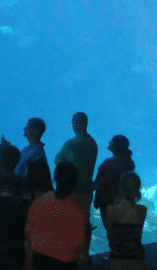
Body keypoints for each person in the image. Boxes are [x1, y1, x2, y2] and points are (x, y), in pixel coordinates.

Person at [25, 161, 88, 270]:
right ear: (75, 182)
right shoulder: (76, 208)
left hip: (39, 260)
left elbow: (30, 234)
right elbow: (79, 242)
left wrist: (29, 263)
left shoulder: (40, 201)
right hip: (65, 263)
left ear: (55, 178)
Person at [54, 112, 98, 264]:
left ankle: (70, 254)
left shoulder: (71, 144)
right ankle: (85, 253)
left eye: (73, 122)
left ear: (75, 123)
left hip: (72, 190)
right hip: (87, 189)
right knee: (85, 221)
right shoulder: (93, 143)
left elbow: (58, 160)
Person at [105, 171, 147, 270]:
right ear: (137, 189)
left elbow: (110, 236)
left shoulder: (111, 210)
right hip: (137, 258)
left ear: (121, 188)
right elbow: (138, 236)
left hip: (118, 259)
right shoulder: (143, 210)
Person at [93, 135, 135, 231]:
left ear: (117, 145)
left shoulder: (109, 163)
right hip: (123, 202)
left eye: (111, 141)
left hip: (107, 203)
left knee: (112, 232)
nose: (109, 142)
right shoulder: (129, 162)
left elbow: (100, 184)